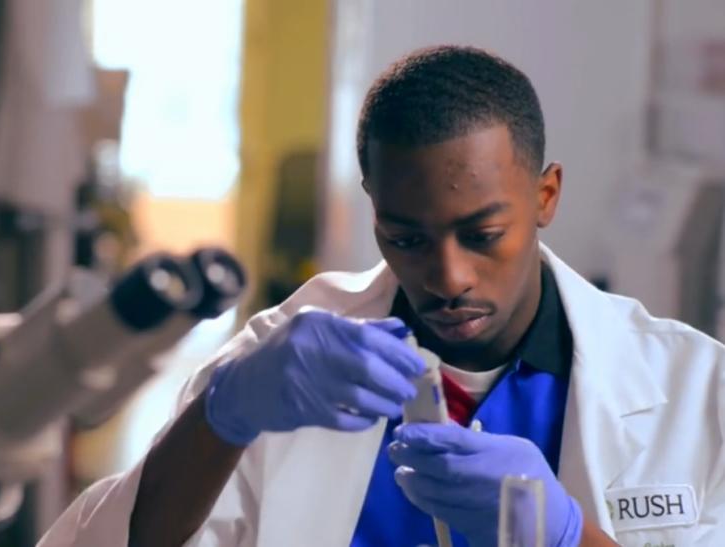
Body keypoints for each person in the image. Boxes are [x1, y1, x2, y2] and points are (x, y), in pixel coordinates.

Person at [39, 46, 725, 547]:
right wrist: (221, 414)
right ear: (374, 212)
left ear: (545, 195)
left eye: (483, 234)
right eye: (408, 237)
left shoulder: (697, 387)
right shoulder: (288, 360)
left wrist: (566, 536)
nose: (449, 277)